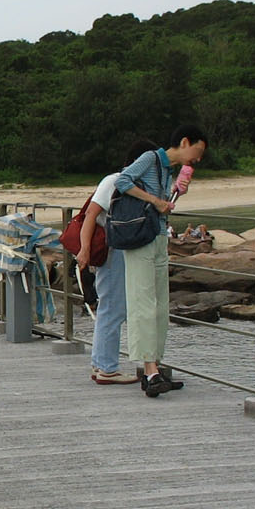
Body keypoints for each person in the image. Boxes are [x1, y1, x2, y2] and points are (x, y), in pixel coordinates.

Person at [115, 125, 209, 397]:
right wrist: (155, 201)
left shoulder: (168, 170)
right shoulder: (151, 158)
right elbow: (123, 181)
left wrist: (177, 193)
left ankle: (153, 370)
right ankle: (151, 370)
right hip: (140, 237)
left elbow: (163, 204)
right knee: (143, 303)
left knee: (159, 305)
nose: (198, 159)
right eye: (197, 151)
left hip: (158, 237)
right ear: (183, 142)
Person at [75, 139, 158, 386]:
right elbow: (91, 214)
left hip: (122, 248)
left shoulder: (132, 184)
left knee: (112, 307)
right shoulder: (114, 181)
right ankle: (106, 367)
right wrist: (85, 250)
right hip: (113, 250)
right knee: (113, 307)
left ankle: (101, 363)